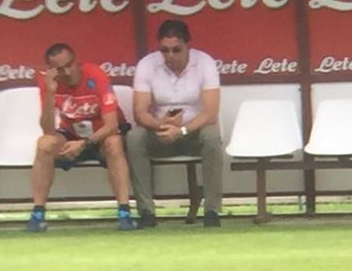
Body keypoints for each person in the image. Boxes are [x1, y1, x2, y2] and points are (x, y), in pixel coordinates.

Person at [27, 43, 138, 232]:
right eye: (60, 69)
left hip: (101, 134)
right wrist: (51, 93)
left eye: (70, 65)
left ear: (76, 61)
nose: (68, 72)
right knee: (44, 144)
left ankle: (124, 212)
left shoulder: (95, 75)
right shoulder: (48, 82)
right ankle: (37, 214)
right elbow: (48, 130)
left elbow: (112, 125)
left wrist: (84, 144)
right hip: (71, 133)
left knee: (114, 143)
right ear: (52, 70)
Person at [126, 20, 223, 228]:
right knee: (134, 137)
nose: (170, 56)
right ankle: (146, 211)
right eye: (165, 50)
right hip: (161, 131)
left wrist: (182, 130)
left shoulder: (205, 62)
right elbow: (139, 112)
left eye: (176, 50)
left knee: (212, 135)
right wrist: (159, 124)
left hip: (193, 131)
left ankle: (212, 210)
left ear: (188, 45)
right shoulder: (147, 64)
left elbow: (211, 113)